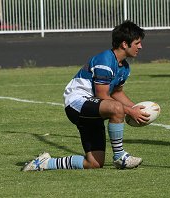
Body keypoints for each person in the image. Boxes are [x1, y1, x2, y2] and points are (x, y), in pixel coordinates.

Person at [22, 20, 149, 171]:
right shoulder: (105, 60)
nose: (140, 47)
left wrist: (137, 110)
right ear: (124, 44)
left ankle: (44, 163)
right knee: (116, 107)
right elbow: (102, 95)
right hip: (77, 103)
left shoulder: (124, 67)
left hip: (93, 107)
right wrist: (129, 111)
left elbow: (117, 93)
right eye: (137, 43)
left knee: (94, 163)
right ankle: (120, 157)